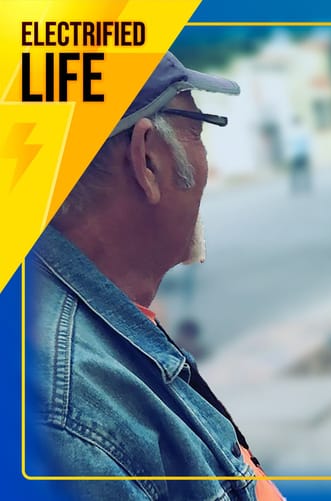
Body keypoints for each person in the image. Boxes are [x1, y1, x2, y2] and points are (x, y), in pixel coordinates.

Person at [25, 52, 284, 501]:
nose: (207, 164)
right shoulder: (71, 415)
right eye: (197, 131)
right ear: (147, 160)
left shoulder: (94, 327)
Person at [287, 115, 312, 193]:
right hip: (298, 155)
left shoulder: (300, 131)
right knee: (299, 173)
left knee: (300, 173)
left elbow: (307, 143)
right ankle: (301, 187)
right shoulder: (297, 131)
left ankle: (302, 187)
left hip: (299, 155)